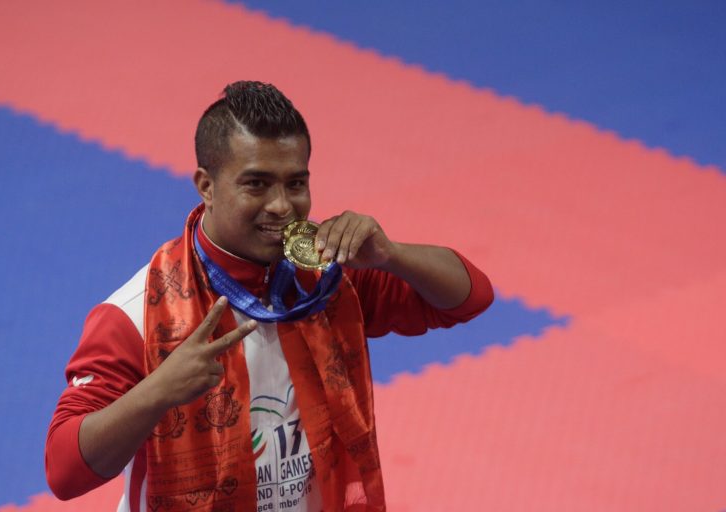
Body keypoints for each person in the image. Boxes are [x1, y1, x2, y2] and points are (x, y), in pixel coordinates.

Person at [45, 81, 494, 512]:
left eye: (295, 184)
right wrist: (158, 391)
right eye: (256, 184)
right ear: (206, 186)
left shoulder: (328, 280)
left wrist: (392, 255)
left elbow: (470, 298)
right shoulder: (135, 315)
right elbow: (63, 471)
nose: (281, 206)